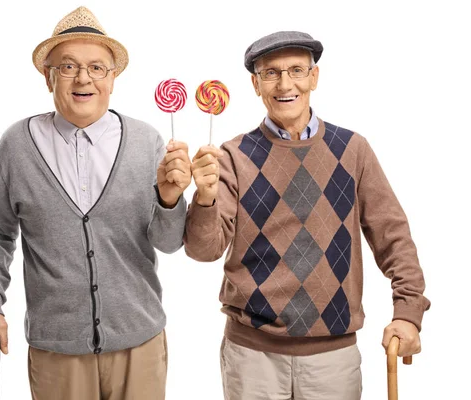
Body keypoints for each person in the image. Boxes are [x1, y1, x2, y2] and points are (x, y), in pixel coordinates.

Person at [184, 31, 430, 400]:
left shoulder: (353, 150)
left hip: (333, 355)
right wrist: (203, 198)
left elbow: (392, 234)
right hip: (253, 356)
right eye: (271, 73)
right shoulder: (232, 156)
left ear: (314, 78)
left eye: (297, 70)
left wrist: (408, 312)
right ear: (255, 84)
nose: (285, 84)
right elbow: (204, 250)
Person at [0, 6, 191, 400]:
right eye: (68, 66)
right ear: (47, 75)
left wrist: (171, 198)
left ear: (113, 77)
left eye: (97, 67)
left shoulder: (147, 142)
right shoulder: (17, 145)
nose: (83, 78)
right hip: (57, 349)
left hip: (139, 343)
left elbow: (170, 243)